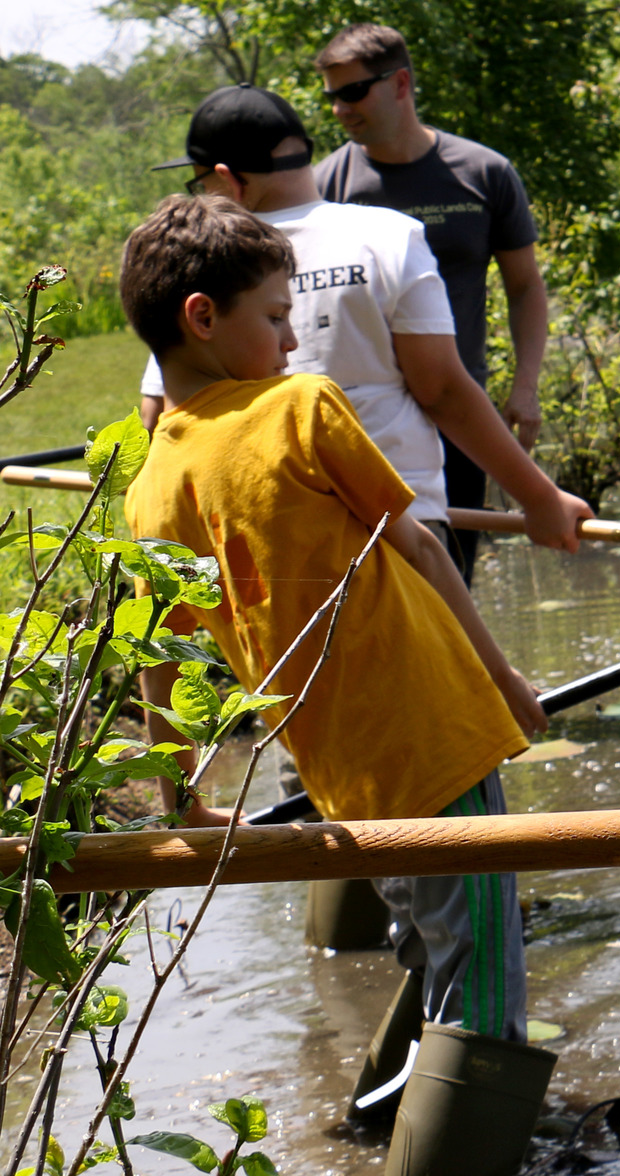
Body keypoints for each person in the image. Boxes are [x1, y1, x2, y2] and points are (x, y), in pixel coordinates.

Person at [120, 193, 551, 1157]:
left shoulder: (151, 483)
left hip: (336, 776)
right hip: (434, 727)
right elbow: (427, 553)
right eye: (274, 317)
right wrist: (506, 677)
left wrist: (181, 796)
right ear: (203, 317)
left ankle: (374, 1128)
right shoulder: (301, 406)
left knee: (429, 948)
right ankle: (441, 1149)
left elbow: (162, 659)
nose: (288, 337)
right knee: (483, 991)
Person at [136, 84, 592, 557]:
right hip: (404, 519)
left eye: (200, 184)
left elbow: (160, 415)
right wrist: (539, 497)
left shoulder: (202, 266)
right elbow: (441, 390)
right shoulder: (388, 235)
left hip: (266, 530)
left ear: (230, 180)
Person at [312, 22, 552, 581]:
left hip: (459, 412)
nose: (339, 111)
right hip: (363, 426)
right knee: (364, 583)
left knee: (452, 581)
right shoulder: (329, 184)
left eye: (351, 93)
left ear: (400, 83)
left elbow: (525, 286)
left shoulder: (484, 173)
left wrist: (525, 387)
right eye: (331, 97)